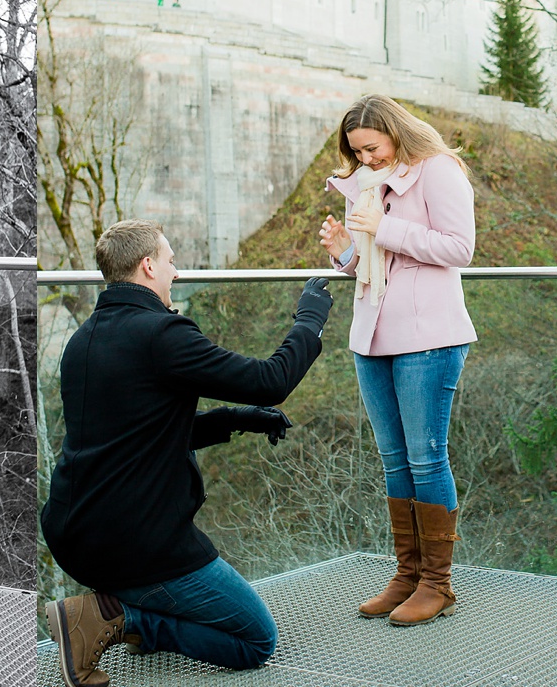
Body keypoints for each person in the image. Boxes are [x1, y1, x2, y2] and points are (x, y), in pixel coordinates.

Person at [41, 219, 332, 686]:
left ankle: (124, 609)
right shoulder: (161, 335)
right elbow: (271, 380)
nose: (175, 273)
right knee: (256, 640)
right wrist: (310, 320)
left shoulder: (84, 340)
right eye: (171, 261)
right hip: (135, 543)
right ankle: (116, 620)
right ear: (148, 264)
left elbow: (139, 437)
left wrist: (238, 418)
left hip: (72, 531)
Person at [318, 94, 477, 627]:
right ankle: (408, 575)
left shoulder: (439, 171)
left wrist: (382, 228)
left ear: (394, 132)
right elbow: (368, 265)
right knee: (393, 459)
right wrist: (345, 249)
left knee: (427, 458)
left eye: (372, 147)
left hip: (428, 336)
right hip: (372, 336)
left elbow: (460, 248)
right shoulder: (363, 184)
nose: (366, 159)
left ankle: (438, 583)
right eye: (357, 152)